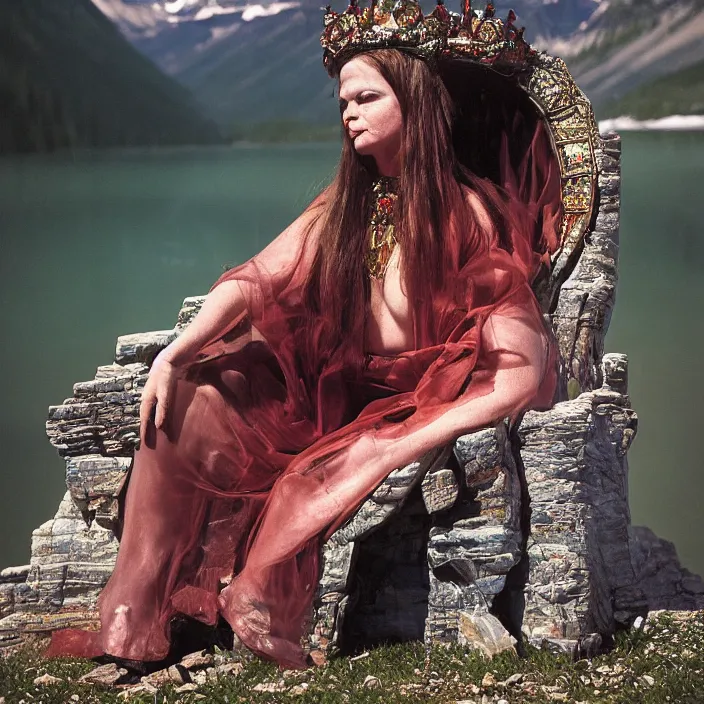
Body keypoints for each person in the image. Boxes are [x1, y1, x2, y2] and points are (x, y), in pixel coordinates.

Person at [47, 5, 562, 671]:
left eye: (368, 97)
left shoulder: (464, 216)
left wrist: (397, 440)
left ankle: (253, 602)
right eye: (343, 100)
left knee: (306, 460)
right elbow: (261, 274)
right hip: (330, 385)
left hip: (407, 399)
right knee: (193, 398)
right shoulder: (351, 201)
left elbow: (521, 367)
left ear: (416, 101)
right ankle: (134, 616)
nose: (349, 113)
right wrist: (176, 353)